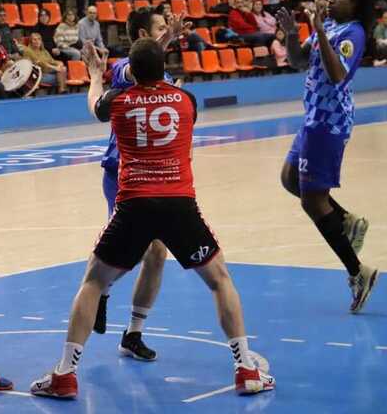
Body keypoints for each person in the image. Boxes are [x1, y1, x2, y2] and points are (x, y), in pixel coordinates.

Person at [30, 38, 275, 399]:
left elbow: (96, 106)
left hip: (135, 205)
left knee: (94, 281)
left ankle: (65, 374)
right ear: (164, 67)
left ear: (129, 72)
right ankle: (246, 369)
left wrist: (97, 74)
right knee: (220, 280)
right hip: (179, 204)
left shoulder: (119, 102)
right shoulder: (186, 101)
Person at [275, 0, 378, 314]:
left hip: (329, 124)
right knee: (290, 178)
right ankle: (346, 219)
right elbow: (297, 61)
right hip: (313, 118)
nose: (330, 0)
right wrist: (293, 32)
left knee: (311, 201)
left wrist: (318, 31)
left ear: (356, 3)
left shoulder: (353, 34)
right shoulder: (331, 25)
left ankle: (357, 271)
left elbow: (338, 75)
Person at [90, 7, 180, 354]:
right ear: (143, 35)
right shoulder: (122, 70)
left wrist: (168, 37)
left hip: (158, 177)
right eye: (159, 28)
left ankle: (134, 333)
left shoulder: (162, 74)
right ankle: (101, 291)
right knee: (131, 250)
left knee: (157, 252)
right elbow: (138, 64)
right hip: (123, 175)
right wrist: (166, 37)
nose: (166, 32)